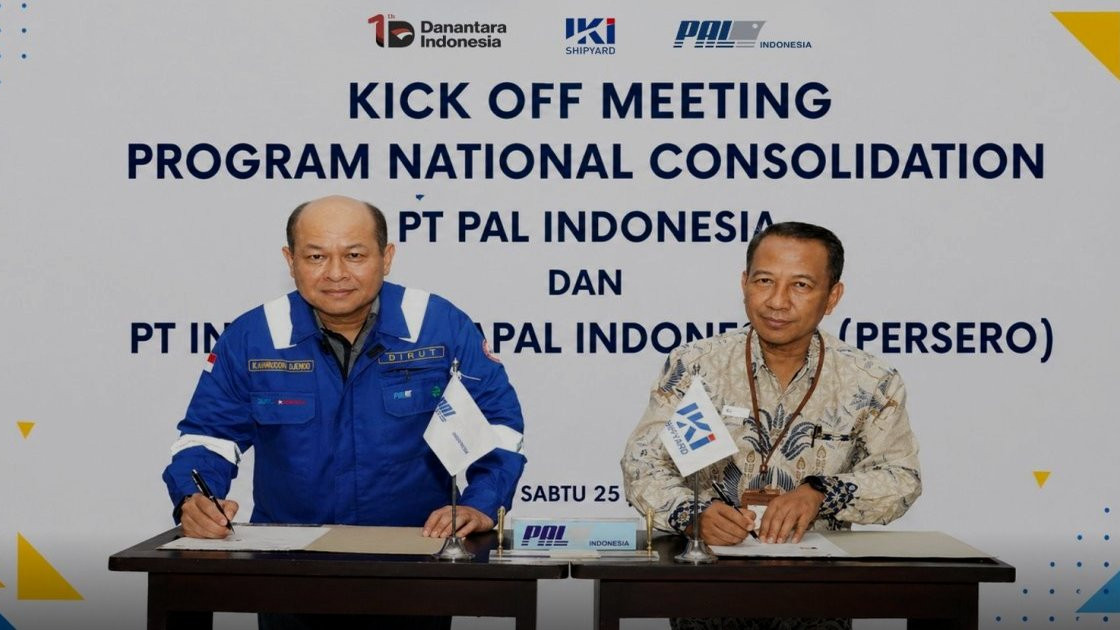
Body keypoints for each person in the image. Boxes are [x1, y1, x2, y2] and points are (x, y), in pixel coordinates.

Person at [161, 195, 525, 628]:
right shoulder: (253, 336)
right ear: (290, 261)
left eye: (354, 255)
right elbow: (208, 436)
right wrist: (194, 498)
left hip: (416, 564)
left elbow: (497, 425)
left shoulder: (439, 326)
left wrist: (481, 503)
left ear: (386, 257)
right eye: (316, 256)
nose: (336, 273)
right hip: (289, 571)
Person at [621, 222, 921, 630]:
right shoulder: (696, 367)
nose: (777, 301)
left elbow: (901, 478)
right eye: (764, 281)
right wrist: (693, 514)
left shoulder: (871, 381)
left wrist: (821, 493)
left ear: (832, 297)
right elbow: (643, 464)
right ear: (744, 283)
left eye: (800, 285)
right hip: (706, 592)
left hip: (818, 598)